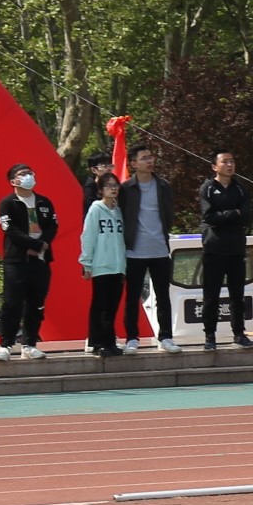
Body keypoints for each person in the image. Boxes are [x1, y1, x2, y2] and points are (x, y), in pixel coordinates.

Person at [0, 162, 57, 362]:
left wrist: (41, 244)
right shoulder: (7, 203)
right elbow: (10, 230)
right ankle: (5, 345)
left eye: (30, 173)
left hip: (41, 260)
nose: (28, 176)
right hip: (16, 260)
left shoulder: (44, 202)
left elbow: (52, 226)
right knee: (12, 303)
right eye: (22, 174)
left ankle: (29, 344)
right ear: (13, 181)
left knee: (36, 303)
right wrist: (31, 244)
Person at [120, 144, 180, 354]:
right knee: (132, 297)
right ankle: (132, 338)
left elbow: (168, 215)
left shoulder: (163, 186)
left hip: (160, 249)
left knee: (163, 296)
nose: (150, 161)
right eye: (144, 158)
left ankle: (166, 337)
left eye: (151, 157)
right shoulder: (126, 189)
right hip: (134, 251)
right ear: (133, 164)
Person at [199, 150, 253, 351]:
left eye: (232, 161)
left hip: (236, 248)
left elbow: (246, 215)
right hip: (214, 248)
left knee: (237, 295)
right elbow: (209, 217)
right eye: (225, 161)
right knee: (211, 295)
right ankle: (209, 335)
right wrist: (233, 213)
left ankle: (239, 333)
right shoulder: (207, 188)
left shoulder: (240, 189)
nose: (230, 165)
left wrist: (226, 216)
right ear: (215, 166)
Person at [80, 171, 127, 357]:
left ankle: (110, 341)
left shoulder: (119, 211)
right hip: (101, 264)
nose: (113, 189)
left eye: (115, 185)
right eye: (108, 186)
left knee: (113, 306)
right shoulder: (96, 209)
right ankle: (97, 342)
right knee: (101, 305)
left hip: (118, 265)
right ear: (100, 189)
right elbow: (88, 236)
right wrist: (86, 263)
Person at [81, 151, 114, 219]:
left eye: (110, 165)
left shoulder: (114, 185)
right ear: (93, 170)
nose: (109, 169)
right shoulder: (90, 187)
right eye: (105, 166)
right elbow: (91, 208)